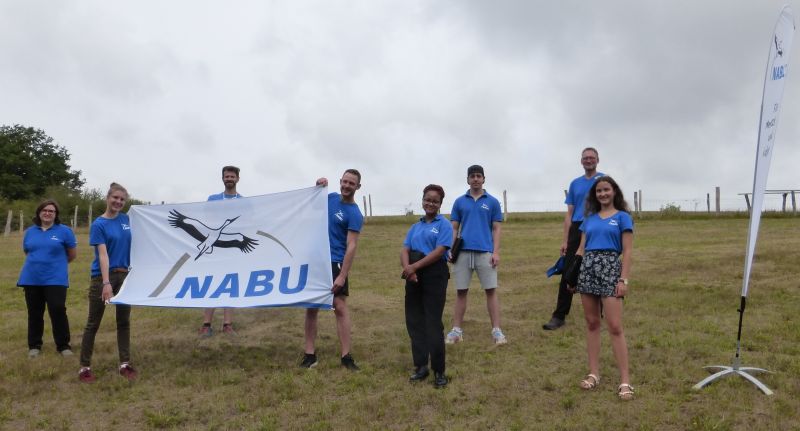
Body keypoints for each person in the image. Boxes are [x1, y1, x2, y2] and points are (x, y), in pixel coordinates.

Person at [568, 176, 634, 400]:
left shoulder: (623, 218)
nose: (603, 194)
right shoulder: (589, 219)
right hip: (588, 270)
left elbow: (627, 252)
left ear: (614, 191)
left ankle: (625, 380)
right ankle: (594, 373)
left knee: (615, 326)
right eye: (599, 191)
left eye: (606, 190)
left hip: (610, 270)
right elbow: (580, 249)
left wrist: (623, 280)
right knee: (592, 323)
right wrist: (572, 275)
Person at [301, 169, 363, 370]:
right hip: (317, 260)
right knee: (312, 307)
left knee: (340, 307)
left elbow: (351, 245)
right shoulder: (330, 198)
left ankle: (346, 356)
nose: (346, 186)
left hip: (336, 262)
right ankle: (309, 354)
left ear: (358, 187)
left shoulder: (354, 213)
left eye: (351, 183)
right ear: (340, 182)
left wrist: (343, 275)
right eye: (344, 181)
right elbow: (310, 203)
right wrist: (318, 185)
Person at [78, 183, 136, 383]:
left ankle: (125, 364)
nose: (118, 202)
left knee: (124, 322)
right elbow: (102, 255)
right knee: (93, 323)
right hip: (103, 277)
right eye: (115, 198)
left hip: (125, 276)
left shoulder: (127, 220)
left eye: (122, 199)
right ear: (108, 198)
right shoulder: (99, 224)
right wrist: (105, 283)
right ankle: (84, 367)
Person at [543, 147, 604, 330]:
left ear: (597, 160)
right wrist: (565, 240)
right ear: (581, 161)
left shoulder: (603, 180)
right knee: (569, 272)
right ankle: (559, 315)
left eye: (592, 157)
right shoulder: (575, 184)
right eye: (585, 158)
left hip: (596, 227)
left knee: (597, 269)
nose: (588, 160)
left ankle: (599, 312)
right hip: (577, 228)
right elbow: (569, 213)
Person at [445, 165, 506, 345]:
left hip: (485, 252)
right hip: (462, 252)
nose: (476, 179)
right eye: (472, 176)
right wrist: (450, 249)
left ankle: (496, 330)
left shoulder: (493, 202)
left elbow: (496, 228)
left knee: (491, 291)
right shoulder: (459, 202)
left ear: (484, 179)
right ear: (468, 179)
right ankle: (456, 330)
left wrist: (495, 252)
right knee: (461, 291)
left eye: (479, 176)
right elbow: (454, 227)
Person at [401, 184, 452, 388]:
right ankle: (421, 366)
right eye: (427, 199)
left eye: (435, 200)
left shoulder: (443, 225)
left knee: (433, 323)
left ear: (440, 204)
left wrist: (414, 267)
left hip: (433, 275)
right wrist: (408, 269)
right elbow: (405, 248)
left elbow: (440, 251)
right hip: (413, 275)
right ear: (422, 200)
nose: (430, 203)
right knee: (414, 321)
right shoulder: (415, 226)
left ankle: (439, 371)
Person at [17, 200, 78, 358]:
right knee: (35, 312)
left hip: (55, 279)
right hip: (32, 278)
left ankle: (63, 346)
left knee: (58, 309)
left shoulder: (65, 231)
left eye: (52, 211)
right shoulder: (30, 231)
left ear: (56, 214)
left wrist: (55, 265)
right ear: (39, 212)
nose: (48, 213)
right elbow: (28, 251)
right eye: (45, 210)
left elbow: (72, 254)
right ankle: (34, 346)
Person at [200, 165, 243, 337]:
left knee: (231, 285)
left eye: (232, 176)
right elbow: (207, 219)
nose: (229, 179)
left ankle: (227, 324)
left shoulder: (244, 201)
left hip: (233, 250)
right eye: (227, 176)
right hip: (216, 248)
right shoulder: (213, 199)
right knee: (211, 284)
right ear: (222, 178)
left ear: (238, 179)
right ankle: (206, 324)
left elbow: (250, 222)